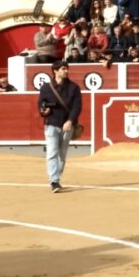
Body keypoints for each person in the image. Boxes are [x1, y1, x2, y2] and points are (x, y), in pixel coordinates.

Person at [36, 60, 82, 193]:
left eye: (67, 68)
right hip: (51, 123)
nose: (66, 71)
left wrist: (70, 121)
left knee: (62, 154)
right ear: (55, 71)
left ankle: (56, 177)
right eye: (63, 69)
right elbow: (41, 103)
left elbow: (77, 106)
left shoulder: (73, 87)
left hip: (67, 124)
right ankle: (54, 181)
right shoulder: (46, 87)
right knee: (52, 152)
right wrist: (43, 111)